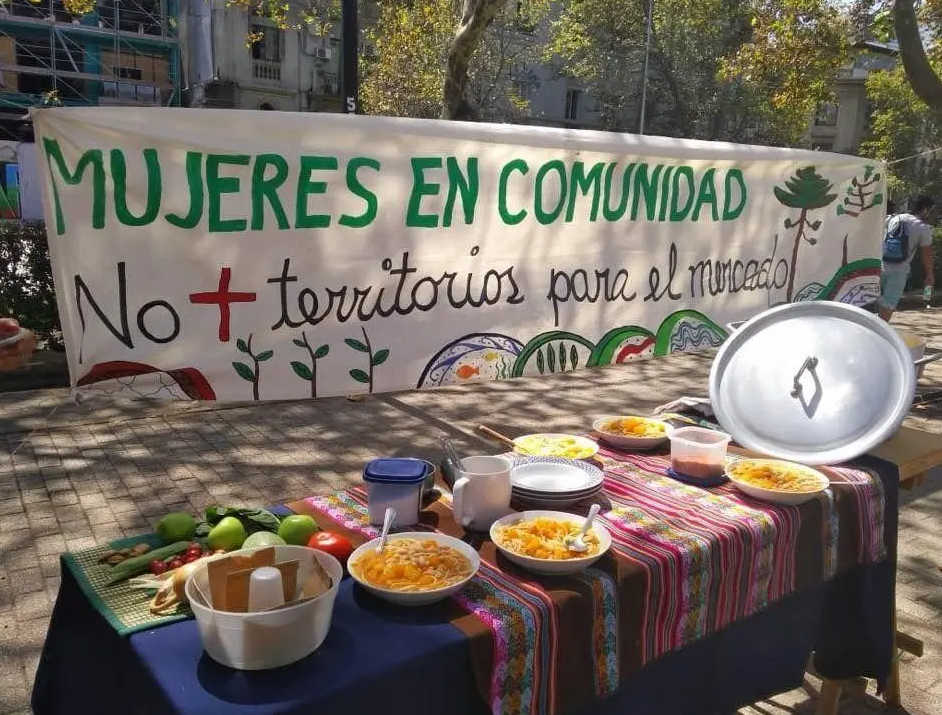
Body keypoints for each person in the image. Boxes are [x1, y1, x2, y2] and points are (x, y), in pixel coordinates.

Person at [879, 195, 936, 322]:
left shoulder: (892, 218)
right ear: (925, 209)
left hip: (879, 265)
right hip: (899, 270)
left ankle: (868, 328)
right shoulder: (922, 227)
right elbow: (926, 254)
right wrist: (929, 274)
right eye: (930, 210)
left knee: (872, 298)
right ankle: (877, 331)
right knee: (889, 303)